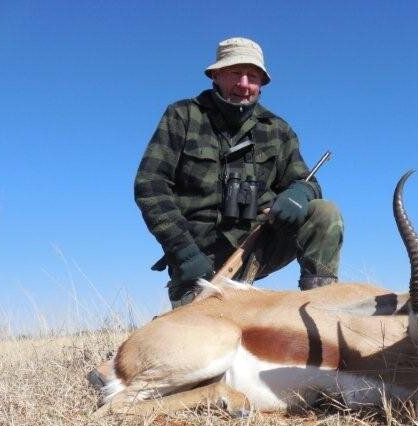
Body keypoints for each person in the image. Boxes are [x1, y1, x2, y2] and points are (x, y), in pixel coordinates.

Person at [135, 37, 343, 308]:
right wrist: (184, 253)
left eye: (252, 76)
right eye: (235, 73)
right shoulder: (182, 116)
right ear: (216, 75)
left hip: (258, 245)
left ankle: (320, 311)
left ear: (261, 83)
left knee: (324, 213)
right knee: (199, 336)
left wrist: (299, 193)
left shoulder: (278, 129)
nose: (244, 84)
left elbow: (307, 181)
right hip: (196, 257)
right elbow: (150, 184)